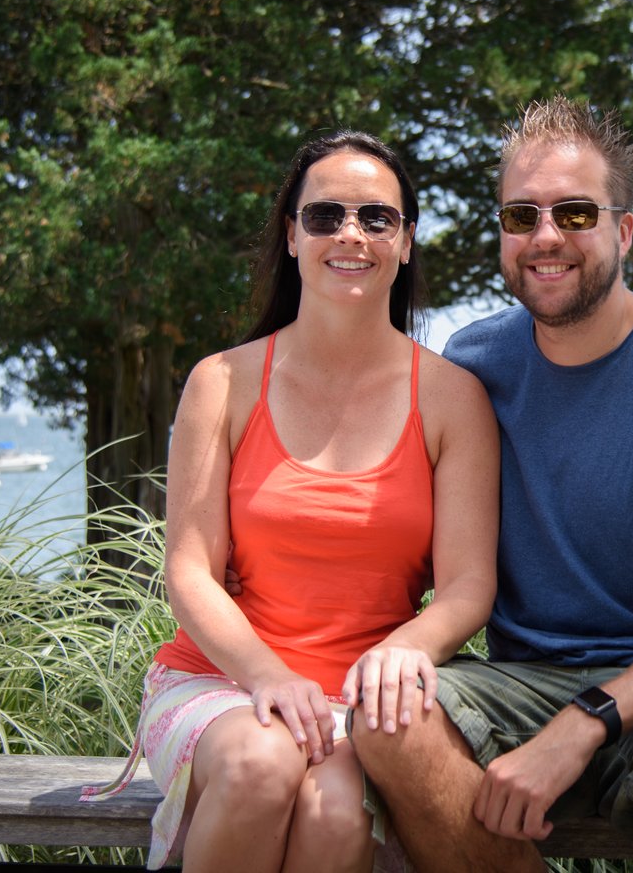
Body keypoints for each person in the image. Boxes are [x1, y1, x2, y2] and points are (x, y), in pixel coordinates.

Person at [349, 96, 633, 873]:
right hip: (520, 683)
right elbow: (422, 548)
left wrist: (584, 723)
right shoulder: (474, 363)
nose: (545, 237)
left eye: (575, 212)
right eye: (520, 217)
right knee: (388, 720)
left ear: (623, 231)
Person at [81, 130, 499, 873]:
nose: (350, 234)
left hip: (372, 705)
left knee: (335, 814)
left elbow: (468, 585)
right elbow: (190, 573)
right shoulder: (222, 382)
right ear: (291, 235)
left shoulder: (452, 398)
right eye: (324, 215)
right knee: (260, 769)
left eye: (377, 218)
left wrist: (402, 653)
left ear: (405, 242)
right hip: (223, 683)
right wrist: (269, 677)